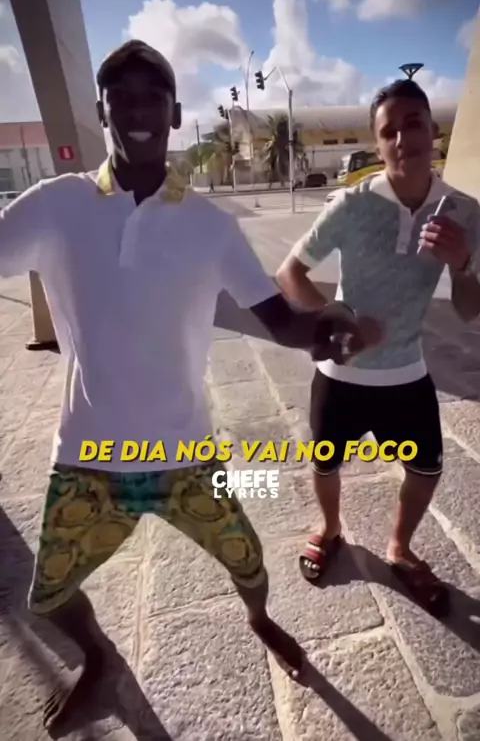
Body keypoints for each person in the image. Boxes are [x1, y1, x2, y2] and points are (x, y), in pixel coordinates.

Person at [0, 40, 376, 732]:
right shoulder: (56, 205)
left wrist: (324, 330)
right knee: (47, 597)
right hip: (88, 457)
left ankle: (258, 621)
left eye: (154, 99)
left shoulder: (210, 226)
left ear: (175, 115)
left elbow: (280, 321)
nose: (137, 111)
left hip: (186, 456)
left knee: (249, 563)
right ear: (102, 112)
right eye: (121, 98)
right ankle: (99, 658)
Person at [276, 78, 480, 616]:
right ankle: (329, 529)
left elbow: (469, 310)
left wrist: (463, 263)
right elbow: (290, 273)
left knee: (427, 469)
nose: (402, 139)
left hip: (407, 376)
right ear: (377, 142)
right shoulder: (352, 204)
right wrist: (339, 320)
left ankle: (399, 549)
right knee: (325, 465)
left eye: (413, 124)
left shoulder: (465, 212)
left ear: (433, 131)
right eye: (389, 131)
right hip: (341, 377)